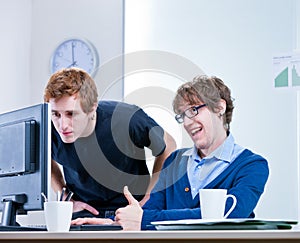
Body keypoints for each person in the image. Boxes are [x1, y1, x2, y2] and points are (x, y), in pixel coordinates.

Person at [71, 75, 269, 230]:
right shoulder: (174, 161)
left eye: (194, 110)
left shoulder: (252, 166)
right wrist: (115, 223)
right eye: (182, 116)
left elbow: (229, 215)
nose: (188, 122)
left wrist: (145, 219)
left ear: (219, 107)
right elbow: (149, 211)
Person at [43, 67, 177, 219]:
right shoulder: (48, 128)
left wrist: (149, 196)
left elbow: (169, 145)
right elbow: (43, 159)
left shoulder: (128, 119)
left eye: (71, 114)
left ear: (92, 107)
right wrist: (65, 195)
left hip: (131, 208)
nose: (62, 125)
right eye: (56, 114)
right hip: (84, 211)